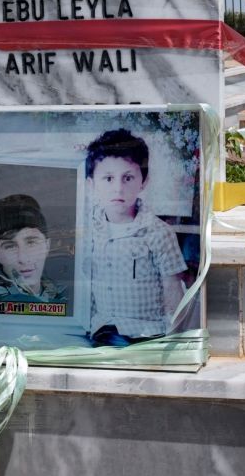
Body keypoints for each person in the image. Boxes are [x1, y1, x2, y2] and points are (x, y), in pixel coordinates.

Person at [85, 128, 187, 347]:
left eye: (128, 178)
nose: (118, 188)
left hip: (145, 334)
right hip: (97, 329)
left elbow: (172, 290)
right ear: (92, 184)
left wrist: (175, 340)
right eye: (108, 178)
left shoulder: (158, 233)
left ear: (143, 182)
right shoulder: (86, 230)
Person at [0, 194, 66, 306]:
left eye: (31, 243)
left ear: (47, 246)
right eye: (10, 246)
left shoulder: (61, 293)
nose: (23, 258)